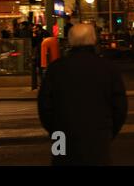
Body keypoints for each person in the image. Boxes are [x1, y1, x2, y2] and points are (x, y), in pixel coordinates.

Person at [38, 24, 128, 166]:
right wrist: (109, 131)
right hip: (97, 134)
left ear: (70, 41)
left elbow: (45, 106)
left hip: (62, 133)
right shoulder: (108, 68)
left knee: (62, 162)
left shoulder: (56, 69)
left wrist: (54, 129)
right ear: (94, 39)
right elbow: (120, 107)